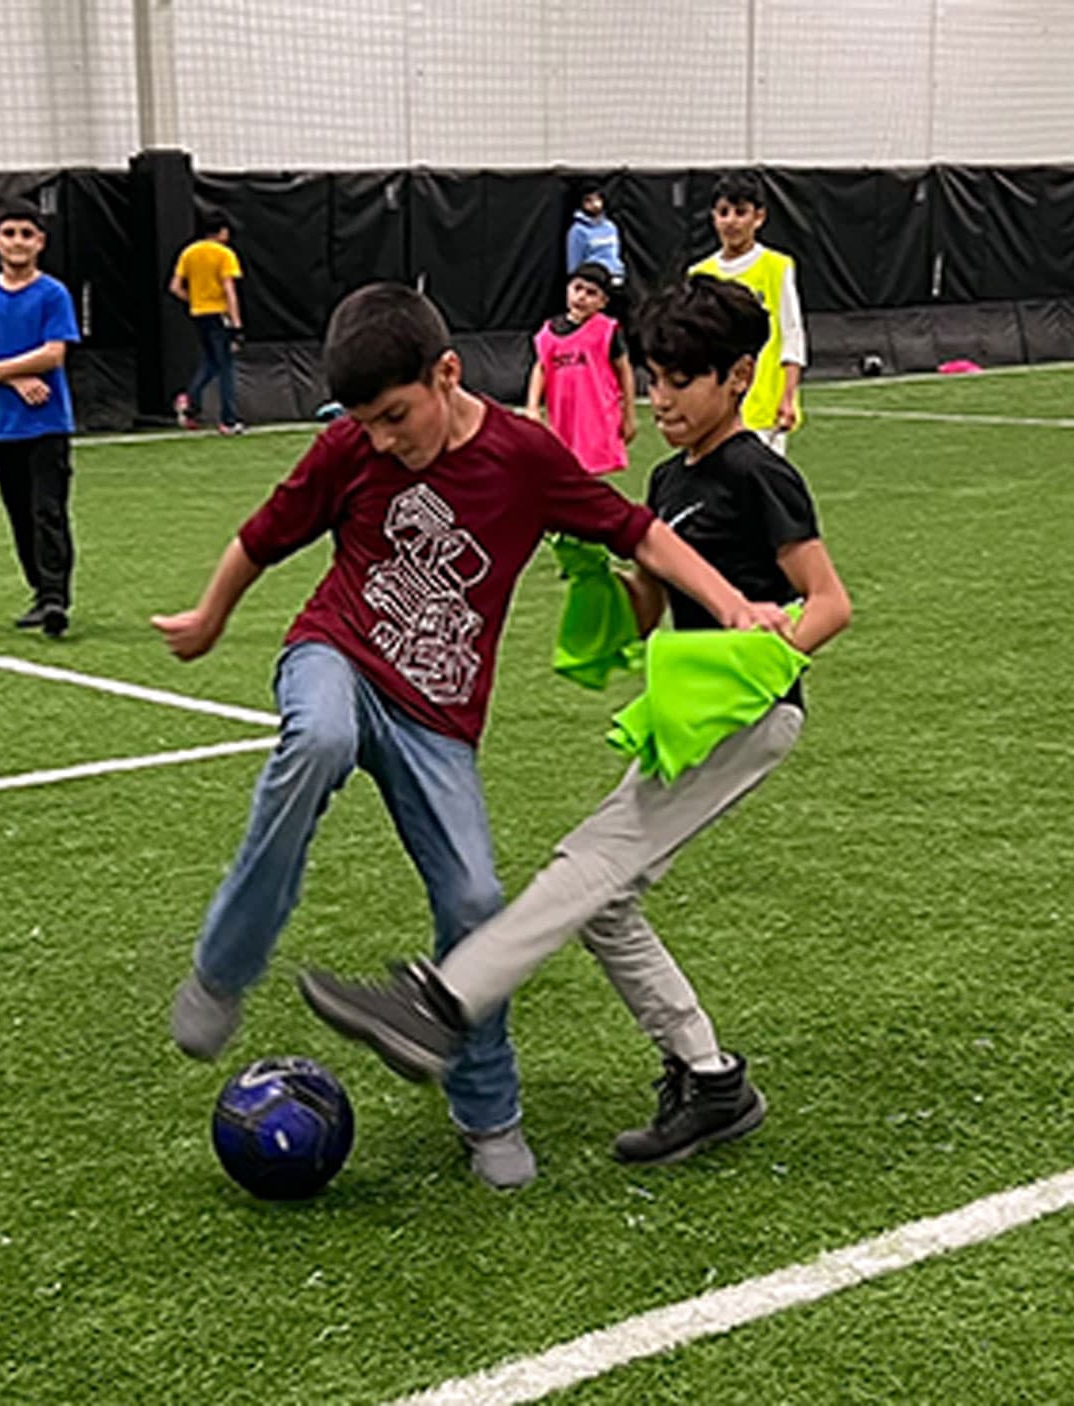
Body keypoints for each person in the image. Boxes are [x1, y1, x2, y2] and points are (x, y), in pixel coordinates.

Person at [149, 282, 778, 1190]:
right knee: (317, 741)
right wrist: (212, 616)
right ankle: (224, 967)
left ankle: (489, 1116)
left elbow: (637, 531)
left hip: (438, 719)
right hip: (337, 657)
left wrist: (728, 603)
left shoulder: (523, 457)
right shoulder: (347, 451)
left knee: (477, 902)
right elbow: (263, 537)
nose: (381, 441)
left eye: (396, 417)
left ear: (447, 375)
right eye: (364, 423)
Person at [298, 275, 852, 1168]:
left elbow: (829, 603)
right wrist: (605, 577)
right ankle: (709, 1079)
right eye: (654, 380)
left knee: (585, 864)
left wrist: (765, 651)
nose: (659, 399)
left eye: (680, 382)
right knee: (606, 900)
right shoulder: (673, 478)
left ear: (739, 376)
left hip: (743, 714)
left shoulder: (760, 473)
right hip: (686, 713)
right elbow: (646, 608)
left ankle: (438, 1003)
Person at [0, 201, 81, 636]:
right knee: (19, 510)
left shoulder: (53, 294)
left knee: (48, 509)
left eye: (27, 234)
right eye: (9, 233)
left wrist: (0, 371)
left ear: (40, 242)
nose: (18, 241)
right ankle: (37, 590)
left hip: (48, 423)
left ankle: (55, 598)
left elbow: (55, 351)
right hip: (6, 426)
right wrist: (14, 381)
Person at [690, 172, 807, 453]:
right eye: (723, 212)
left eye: (741, 212)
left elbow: (791, 333)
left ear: (758, 217)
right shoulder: (700, 273)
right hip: (714, 406)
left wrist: (788, 397)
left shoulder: (776, 267)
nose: (731, 221)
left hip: (762, 405)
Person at [525, 261, 636, 475]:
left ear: (603, 302)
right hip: (562, 417)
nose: (582, 297)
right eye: (577, 288)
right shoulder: (548, 332)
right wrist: (532, 407)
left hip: (596, 417)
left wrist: (628, 415)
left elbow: (624, 370)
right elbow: (541, 367)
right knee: (563, 470)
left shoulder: (606, 330)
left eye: (591, 293)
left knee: (591, 474)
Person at [170, 206, 246, 435]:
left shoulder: (189, 252)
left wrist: (193, 300)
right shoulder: (225, 254)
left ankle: (189, 400)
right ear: (222, 232)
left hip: (198, 313)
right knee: (226, 367)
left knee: (211, 362)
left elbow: (175, 287)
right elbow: (229, 289)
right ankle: (228, 420)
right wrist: (236, 323)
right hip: (219, 313)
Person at [566, 184, 626, 293]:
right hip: (593, 281)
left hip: (615, 279)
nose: (595, 204)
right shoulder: (578, 231)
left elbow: (616, 254)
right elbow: (574, 264)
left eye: (597, 199)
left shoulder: (610, 226)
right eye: (589, 201)